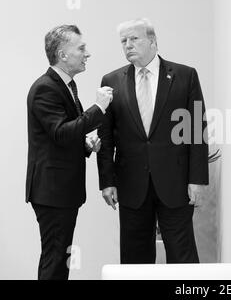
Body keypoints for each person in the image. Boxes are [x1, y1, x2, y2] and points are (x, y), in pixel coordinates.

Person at [97, 18, 209, 264]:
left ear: (153, 41)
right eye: (123, 41)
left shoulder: (185, 76)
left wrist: (197, 179)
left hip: (176, 183)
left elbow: (195, 129)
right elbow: (106, 138)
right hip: (132, 185)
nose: (128, 45)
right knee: (135, 260)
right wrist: (107, 181)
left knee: (182, 256)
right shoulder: (111, 81)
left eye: (134, 39)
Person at [26, 25, 113, 279]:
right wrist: (99, 107)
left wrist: (86, 146)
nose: (87, 54)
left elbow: (61, 136)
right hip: (52, 192)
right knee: (55, 259)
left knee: (59, 258)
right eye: (81, 48)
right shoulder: (46, 88)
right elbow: (61, 132)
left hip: (59, 191)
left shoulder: (65, 85)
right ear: (63, 55)